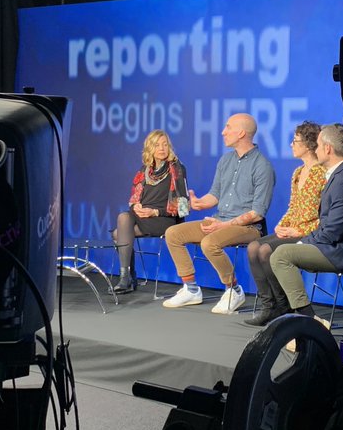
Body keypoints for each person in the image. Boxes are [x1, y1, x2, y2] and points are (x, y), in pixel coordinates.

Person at [162, 113, 275, 313]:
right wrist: (199, 203)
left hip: (249, 227)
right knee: (173, 233)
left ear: (241, 133)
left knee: (209, 242)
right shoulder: (225, 160)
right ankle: (191, 288)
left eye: (228, 127)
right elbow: (215, 195)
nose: (223, 132)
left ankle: (234, 289)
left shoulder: (262, 166)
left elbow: (257, 212)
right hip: (219, 220)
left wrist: (224, 225)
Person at [267, 123, 343, 319]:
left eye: (318, 144)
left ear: (328, 149)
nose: (315, 148)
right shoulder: (338, 175)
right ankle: (297, 317)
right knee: (275, 250)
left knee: (282, 254)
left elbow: (332, 231)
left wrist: (301, 241)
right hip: (334, 244)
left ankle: (307, 320)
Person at [242, 121, 326, 326]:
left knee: (265, 251)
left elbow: (324, 217)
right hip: (291, 229)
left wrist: (298, 230)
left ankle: (283, 305)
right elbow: (292, 206)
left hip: (309, 231)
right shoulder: (298, 172)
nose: (291, 144)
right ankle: (268, 305)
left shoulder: (322, 174)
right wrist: (281, 225)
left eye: (295, 141)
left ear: (308, 145)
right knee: (254, 247)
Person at [111, 130, 187, 294]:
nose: (162, 148)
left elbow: (183, 208)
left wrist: (155, 212)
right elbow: (133, 199)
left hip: (163, 219)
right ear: (149, 148)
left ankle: (128, 277)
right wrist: (136, 206)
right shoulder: (144, 170)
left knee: (119, 234)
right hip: (142, 216)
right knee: (124, 216)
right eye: (157, 145)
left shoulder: (177, 169)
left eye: (165, 144)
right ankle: (126, 277)